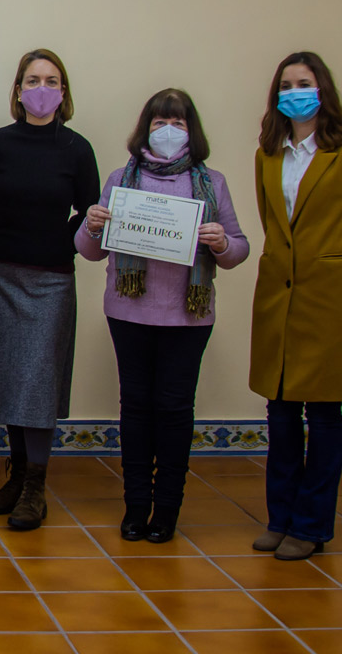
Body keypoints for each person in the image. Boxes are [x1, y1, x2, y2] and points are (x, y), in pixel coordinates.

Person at [77, 88, 249, 544]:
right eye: (159, 123)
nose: (168, 131)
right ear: (145, 129)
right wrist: (91, 225)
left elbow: (238, 250)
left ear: (192, 130)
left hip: (188, 319)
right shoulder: (120, 178)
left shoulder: (211, 182)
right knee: (134, 409)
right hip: (128, 314)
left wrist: (220, 242)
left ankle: (167, 509)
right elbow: (89, 251)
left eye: (177, 123)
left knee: (174, 410)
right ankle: (135, 506)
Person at [249, 52, 342, 561]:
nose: (294, 92)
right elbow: (273, 227)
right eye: (285, 84)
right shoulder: (268, 155)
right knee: (281, 415)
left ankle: (311, 526)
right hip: (280, 303)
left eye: (303, 83)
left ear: (323, 90)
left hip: (332, 306)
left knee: (324, 418)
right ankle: (279, 518)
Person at [0, 49, 99, 530]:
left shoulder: (77, 149)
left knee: (38, 384)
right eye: (32, 79)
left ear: (63, 92)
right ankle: (16, 475)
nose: (41, 87)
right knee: (6, 379)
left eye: (50, 80)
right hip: (2, 275)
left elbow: (89, 216)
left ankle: (35, 488)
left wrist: (57, 239)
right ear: (18, 90)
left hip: (51, 280)